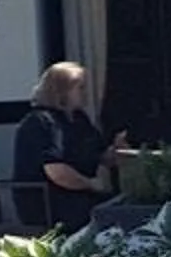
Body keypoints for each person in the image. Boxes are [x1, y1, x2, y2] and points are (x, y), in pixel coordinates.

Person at [13, 61, 119, 217]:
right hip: (49, 202)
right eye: (80, 88)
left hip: (80, 196)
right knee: (114, 214)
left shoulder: (78, 119)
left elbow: (99, 154)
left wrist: (117, 151)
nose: (85, 93)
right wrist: (91, 184)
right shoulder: (40, 123)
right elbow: (56, 172)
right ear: (61, 92)